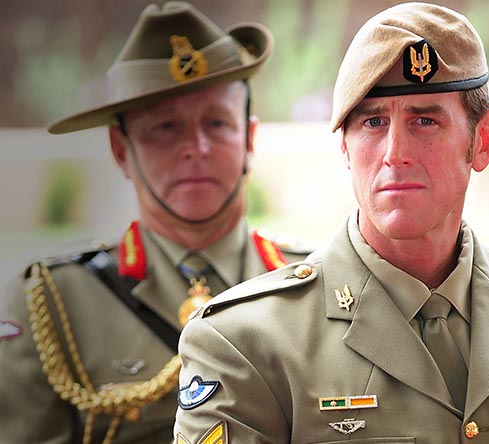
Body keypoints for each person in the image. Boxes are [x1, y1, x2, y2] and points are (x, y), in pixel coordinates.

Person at [174, 3, 489, 443]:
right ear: (346, 149)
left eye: (425, 119)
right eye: (373, 122)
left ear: (483, 140)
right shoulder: (245, 342)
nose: (395, 153)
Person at [0, 3, 310, 443]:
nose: (196, 147)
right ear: (122, 151)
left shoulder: (315, 286)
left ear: (249, 139)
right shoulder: (53, 304)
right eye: (165, 127)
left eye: (216, 123)